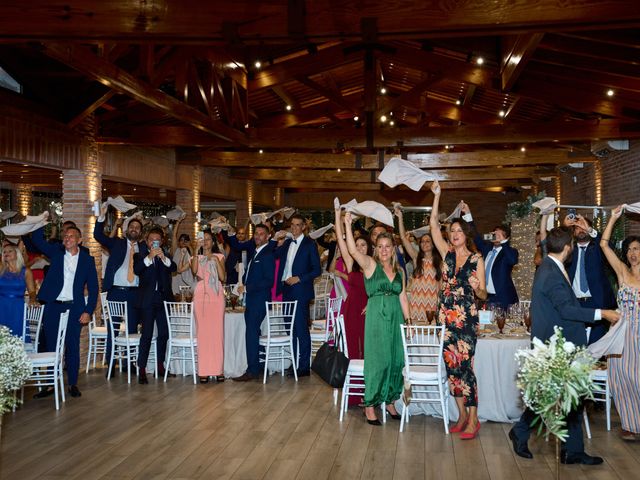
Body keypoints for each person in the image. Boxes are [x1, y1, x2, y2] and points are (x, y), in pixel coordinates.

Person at [509, 226, 620, 464]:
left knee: (571, 398)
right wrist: (603, 314)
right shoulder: (551, 273)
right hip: (555, 347)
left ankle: (573, 450)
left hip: (557, 343)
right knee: (552, 398)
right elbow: (567, 310)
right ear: (568, 248)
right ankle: (521, 433)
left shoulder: (550, 266)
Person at [430, 181, 487, 439]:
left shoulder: (477, 260)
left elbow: (484, 293)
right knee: (452, 369)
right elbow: (433, 226)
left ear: (466, 233)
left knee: (465, 369)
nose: (454, 234)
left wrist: (477, 287)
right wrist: (437, 196)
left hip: (465, 322)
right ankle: (461, 415)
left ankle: (473, 419)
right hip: (445, 320)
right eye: (451, 230)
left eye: (458, 230)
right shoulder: (446, 254)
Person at [343, 210, 407, 425]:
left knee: (395, 360)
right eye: (380, 247)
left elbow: (403, 296)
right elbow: (352, 250)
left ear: (393, 248)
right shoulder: (370, 265)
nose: (384, 250)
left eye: (387, 246)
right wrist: (347, 224)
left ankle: (390, 401)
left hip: (396, 316)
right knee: (378, 360)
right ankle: (370, 405)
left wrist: (408, 322)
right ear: (375, 249)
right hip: (377, 317)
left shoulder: (399, 271)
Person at [31, 224, 98, 398]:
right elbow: (37, 241)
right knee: (52, 346)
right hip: (53, 306)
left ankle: (73, 384)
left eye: (71, 236)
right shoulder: (56, 253)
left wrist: (88, 311)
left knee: (72, 346)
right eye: (65, 236)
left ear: (79, 240)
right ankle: (50, 384)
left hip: (75, 307)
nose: (67, 238)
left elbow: (93, 288)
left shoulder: (87, 260)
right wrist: (40, 222)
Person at [599, 206, 640, 441]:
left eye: (637, 249)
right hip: (621, 332)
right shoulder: (623, 272)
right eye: (629, 250)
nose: (632, 253)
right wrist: (613, 218)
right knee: (620, 378)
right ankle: (630, 423)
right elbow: (604, 245)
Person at [95, 205, 148, 376]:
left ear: (140, 232)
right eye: (131, 227)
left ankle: (129, 363)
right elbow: (97, 235)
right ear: (126, 230)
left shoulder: (144, 248)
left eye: (137, 228)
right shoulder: (116, 243)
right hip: (116, 292)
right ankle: (111, 364)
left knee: (132, 329)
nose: (134, 230)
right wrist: (101, 218)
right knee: (113, 329)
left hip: (135, 293)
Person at [275, 214, 321, 377]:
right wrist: (278, 243)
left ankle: (303, 366)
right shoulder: (287, 243)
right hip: (286, 290)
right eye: (292, 225)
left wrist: (299, 278)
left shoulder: (310, 244)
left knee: (301, 329)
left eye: (297, 225)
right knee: (290, 328)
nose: (294, 228)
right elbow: (274, 255)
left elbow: (317, 270)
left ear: (303, 227)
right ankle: (294, 363)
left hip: (300, 290)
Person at [133, 227, 177, 384]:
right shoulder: (140, 255)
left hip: (163, 300)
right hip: (147, 301)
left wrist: (163, 258)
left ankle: (160, 365)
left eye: (157, 239)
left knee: (164, 334)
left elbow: (174, 268)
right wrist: (149, 258)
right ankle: (142, 369)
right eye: (152, 239)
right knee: (147, 335)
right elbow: (137, 270)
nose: (154, 242)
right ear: (147, 241)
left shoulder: (165, 256)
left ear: (162, 241)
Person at [564, 214, 616, 344]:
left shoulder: (598, 249)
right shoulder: (568, 251)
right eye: (577, 228)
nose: (581, 230)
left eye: (583, 227)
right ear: (573, 232)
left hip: (595, 302)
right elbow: (553, 246)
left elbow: (608, 246)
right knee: (574, 345)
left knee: (595, 347)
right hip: (574, 304)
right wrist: (564, 227)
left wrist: (590, 230)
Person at [232, 224, 275, 381]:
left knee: (251, 333)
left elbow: (269, 281)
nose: (258, 236)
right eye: (256, 233)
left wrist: (248, 287)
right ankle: (257, 366)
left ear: (268, 236)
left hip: (259, 300)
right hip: (252, 299)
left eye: (261, 234)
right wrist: (244, 281)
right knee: (253, 333)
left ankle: (252, 370)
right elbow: (250, 275)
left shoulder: (267, 254)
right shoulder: (256, 253)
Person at [461, 203, 518, 309]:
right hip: (486, 297)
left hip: (503, 298)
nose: (496, 236)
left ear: (507, 238)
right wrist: (468, 214)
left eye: (500, 235)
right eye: (495, 234)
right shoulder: (487, 248)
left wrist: (503, 242)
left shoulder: (510, 252)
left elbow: (512, 260)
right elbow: (475, 235)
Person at [334, 206, 371, 362]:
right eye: (357, 245)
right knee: (352, 343)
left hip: (369, 308)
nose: (360, 248)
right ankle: (354, 383)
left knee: (368, 344)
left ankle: (368, 380)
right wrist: (338, 215)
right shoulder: (350, 263)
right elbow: (341, 240)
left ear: (369, 248)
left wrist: (372, 302)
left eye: (363, 245)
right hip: (352, 307)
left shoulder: (373, 265)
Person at [395, 206, 441, 324]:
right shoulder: (416, 259)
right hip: (416, 307)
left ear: (433, 244)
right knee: (415, 340)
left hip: (432, 308)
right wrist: (400, 217)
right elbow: (403, 239)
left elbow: (441, 287)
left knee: (432, 340)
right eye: (422, 241)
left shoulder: (440, 262)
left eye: (428, 241)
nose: (424, 243)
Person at [191, 230, 226, 383]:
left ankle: (218, 370)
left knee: (217, 333)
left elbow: (223, 277)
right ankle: (204, 370)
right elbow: (193, 271)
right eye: (203, 239)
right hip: (200, 294)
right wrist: (194, 250)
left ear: (213, 242)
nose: (205, 242)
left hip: (216, 294)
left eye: (208, 239)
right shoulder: (196, 257)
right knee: (203, 333)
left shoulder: (219, 256)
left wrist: (215, 260)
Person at [0, 243, 36, 337]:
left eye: (10, 251)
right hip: (1, 305)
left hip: (17, 306)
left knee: (18, 331)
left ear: (17, 254)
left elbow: (32, 290)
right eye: (4, 252)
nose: (6, 253)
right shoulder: (1, 269)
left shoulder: (26, 271)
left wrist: (32, 299)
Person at [170, 222, 194, 296]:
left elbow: (194, 260)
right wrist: (178, 222)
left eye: (185, 240)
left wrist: (189, 246)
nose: (183, 242)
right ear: (178, 242)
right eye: (181, 240)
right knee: (177, 297)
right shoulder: (176, 250)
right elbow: (174, 235)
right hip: (176, 278)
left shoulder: (190, 251)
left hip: (187, 279)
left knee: (187, 298)